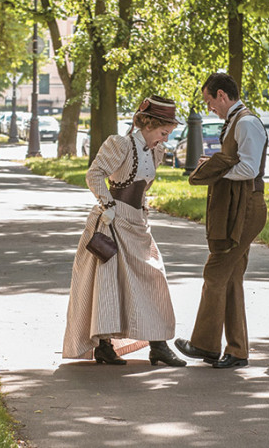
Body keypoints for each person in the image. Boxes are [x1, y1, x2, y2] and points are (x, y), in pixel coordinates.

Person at [63, 95, 186, 367]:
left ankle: (158, 345)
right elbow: (94, 174)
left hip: (137, 222)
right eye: (163, 132)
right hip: (113, 221)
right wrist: (107, 205)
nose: (165, 139)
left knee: (153, 278)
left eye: (168, 134)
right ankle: (104, 346)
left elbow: (143, 186)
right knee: (110, 282)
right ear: (149, 124)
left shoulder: (156, 151)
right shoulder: (120, 144)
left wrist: (143, 209)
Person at [174, 72, 268, 369]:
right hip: (237, 205)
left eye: (209, 101)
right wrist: (215, 165)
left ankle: (205, 345)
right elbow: (237, 163)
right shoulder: (237, 121)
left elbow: (249, 169)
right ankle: (236, 351)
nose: (209, 107)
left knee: (215, 272)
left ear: (222, 95)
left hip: (246, 206)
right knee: (230, 278)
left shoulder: (247, 123)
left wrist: (214, 170)